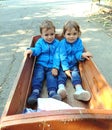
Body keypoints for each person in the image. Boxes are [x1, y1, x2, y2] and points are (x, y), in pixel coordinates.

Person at [24, 20, 62, 106]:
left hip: (52, 65)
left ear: (54, 33)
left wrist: (55, 67)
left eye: (52, 34)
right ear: (41, 35)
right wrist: (31, 50)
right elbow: (37, 50)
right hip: (40, 64)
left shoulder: (57, 43)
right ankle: (35, 93)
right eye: (46, 35)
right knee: (38, 76)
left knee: (52, 77)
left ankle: (52, 93)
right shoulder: (40, 42)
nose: (49, 37)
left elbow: (57, 56)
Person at [56, 20, 92, 101]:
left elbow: (77, 53)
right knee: (61, 75)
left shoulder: (79, 42)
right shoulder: (62, 43)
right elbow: (63, 56)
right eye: (69, 34)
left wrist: (82, 55)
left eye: (74, 34)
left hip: (73, 64)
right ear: (64, 34)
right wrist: (66, 69)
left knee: (76, 75)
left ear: (78, 33)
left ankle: (79, 90)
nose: (71, 36)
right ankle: (61, 89)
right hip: (63, 65)